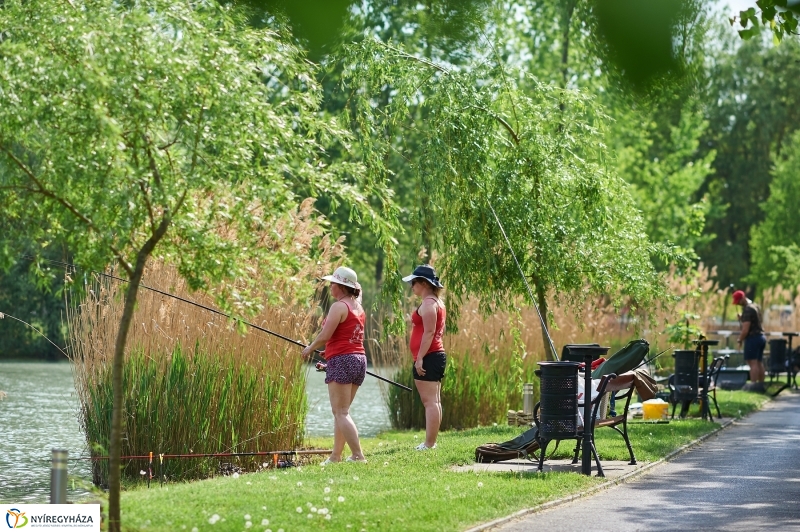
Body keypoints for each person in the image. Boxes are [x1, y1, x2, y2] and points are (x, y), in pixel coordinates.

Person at [302, 266, 367, 463]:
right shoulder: (358, 306)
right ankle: (336, 456)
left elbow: (325, 335)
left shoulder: (338, 306)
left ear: (341, 286)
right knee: (342, 412)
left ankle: (358, 455)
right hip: (358, 360)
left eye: (333, 283)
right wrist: (328, 350)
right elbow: (346, 336)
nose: (330, 286)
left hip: (343, 360)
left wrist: (310, 348)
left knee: (340, 412)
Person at [403, 264, 446, 451]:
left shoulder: (429, 304)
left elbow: (429, 333)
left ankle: (429, 444)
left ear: (424, 283)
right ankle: (431, 442)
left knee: (430, 402)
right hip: (435, 355)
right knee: (434, 401)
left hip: (429, 356)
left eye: (414, 282)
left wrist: (419, 358)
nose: (412, 286)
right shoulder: (436, 302)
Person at [734, 289, 766, 392]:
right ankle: (761, 386)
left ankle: (753, 386)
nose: (738, 304)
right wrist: (742, 318)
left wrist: (740, 340)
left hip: (753, 339)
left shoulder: (747, 310)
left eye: (739, 301)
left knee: (752, 363)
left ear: (743, 298)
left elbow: (745, 330)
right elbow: (755, 322)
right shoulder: (755, 306)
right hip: (761, 337)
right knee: (759, 362)